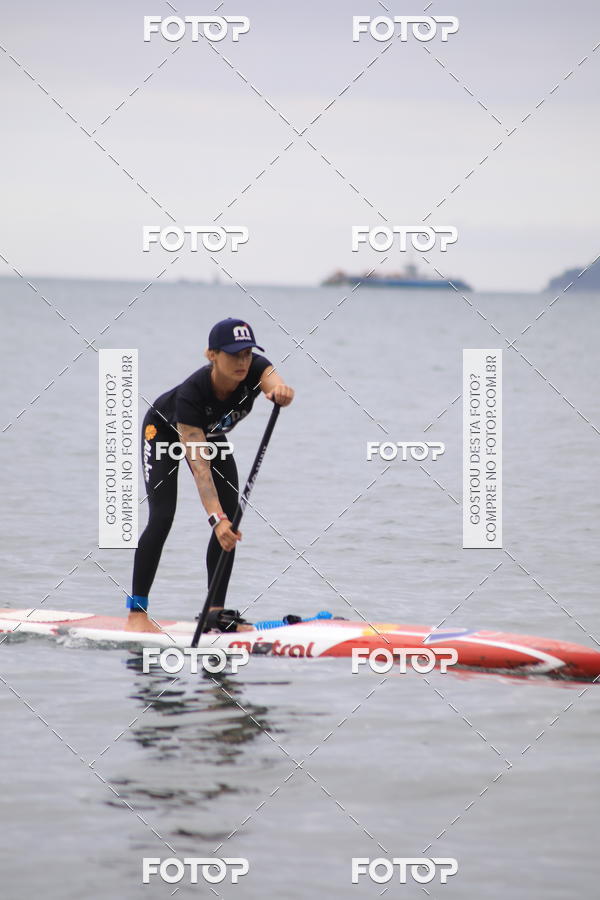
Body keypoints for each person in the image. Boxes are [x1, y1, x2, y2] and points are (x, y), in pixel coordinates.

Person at [125, 318, 294, 633]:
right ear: (211, 355)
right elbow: (200, 468)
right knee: (163, 515)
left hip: (210, 434)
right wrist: (214, 519)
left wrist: (280, 392)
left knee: (233, 519)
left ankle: (214, 613)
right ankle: (136, 613)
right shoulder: (192, 394)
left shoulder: (257, 368)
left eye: (247, 353)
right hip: (164, 432)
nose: (242, 361)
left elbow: (273, 381)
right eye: (233, 354)